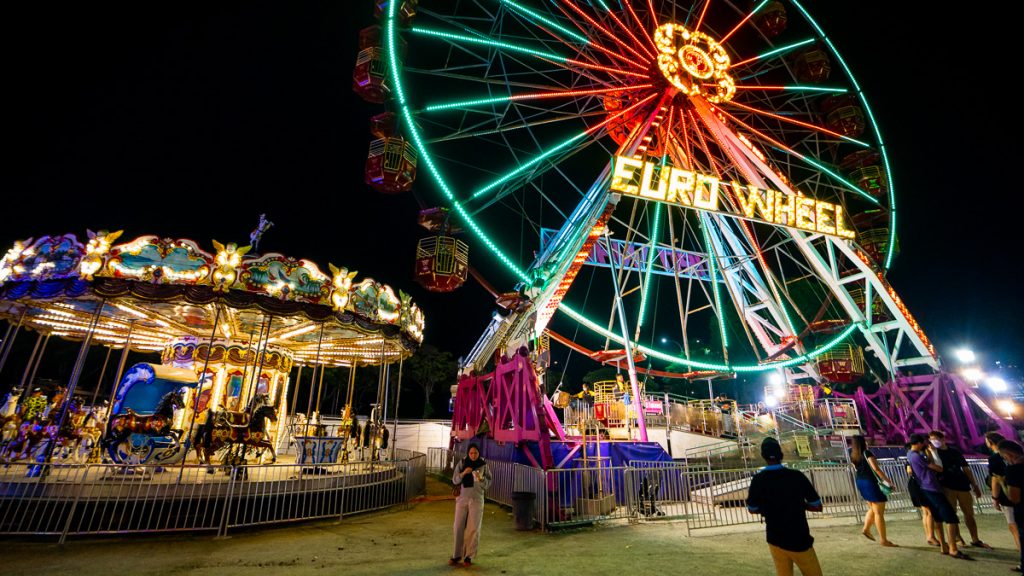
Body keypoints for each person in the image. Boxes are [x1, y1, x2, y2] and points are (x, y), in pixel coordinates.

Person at [746, 437, 824, 576]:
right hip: (798, 539)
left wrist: (766, 508)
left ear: (763, 456)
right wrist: (802, 505)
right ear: (781, 454)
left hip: (774, 537)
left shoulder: (758, 479)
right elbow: (817, 505)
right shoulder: (796, 476)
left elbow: (752, 508)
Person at [907, 433, 970, 560]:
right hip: (932, 487)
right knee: (951, 518)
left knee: (938, 518)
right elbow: (939, 468)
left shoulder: (910, 454)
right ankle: (953, 548)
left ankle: (944, 546)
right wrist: (934, 453)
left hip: (925, 488)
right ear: (919, 443)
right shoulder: (917, 456)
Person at [929, 430, 989, 549]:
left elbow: (966, 469)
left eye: (935, 439)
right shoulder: (932, 454)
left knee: (969, 514)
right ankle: (958, 538)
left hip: (962, 485)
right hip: (946, 486)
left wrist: (975, 485)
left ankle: (975, 538)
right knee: (952, 515)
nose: (933, 441)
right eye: (931, 439)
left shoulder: (955, 452)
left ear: (943, 439)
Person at [849, 435, 896, 546]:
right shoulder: (867, 453)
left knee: (872, 508)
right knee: (879, 513)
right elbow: (876, 469)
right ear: (863, 442)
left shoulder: (853, 455)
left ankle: (866, 529)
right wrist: (888, 482)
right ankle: (884, 540)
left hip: (860, 482)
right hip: (871, 482)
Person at [450, 443, 492, 566]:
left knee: (473, 528)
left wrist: (481, 479)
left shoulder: (483, 465)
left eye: (476, 453)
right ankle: (456, 555)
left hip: (477, 499)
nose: (473, 455)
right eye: (471, 453)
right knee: (458, 526)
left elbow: (489, 483)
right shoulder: (462, 463)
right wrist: (463, 473)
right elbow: (454, 480)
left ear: (479, 454)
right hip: (462, 498)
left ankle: (469, 556)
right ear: (468, 453)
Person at [987, 432, 1020, 554]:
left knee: (1013, 524)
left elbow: (996, 480)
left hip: (1009, 497)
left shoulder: (996, 459)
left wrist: (995, 497)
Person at [904, 442, 938, 546]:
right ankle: (931, 536)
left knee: (925, 512)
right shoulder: (915, 458)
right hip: (919, 485)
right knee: (930, 511)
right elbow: (910, 471)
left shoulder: (910, 458)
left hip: (915, 484)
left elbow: (909, 471)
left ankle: (929, 536)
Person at [999, 439, 1024, 572]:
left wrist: (1002, 484)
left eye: (1004, 457)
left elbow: (1014, 498)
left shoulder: (1013, 470)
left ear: (1009, 455)